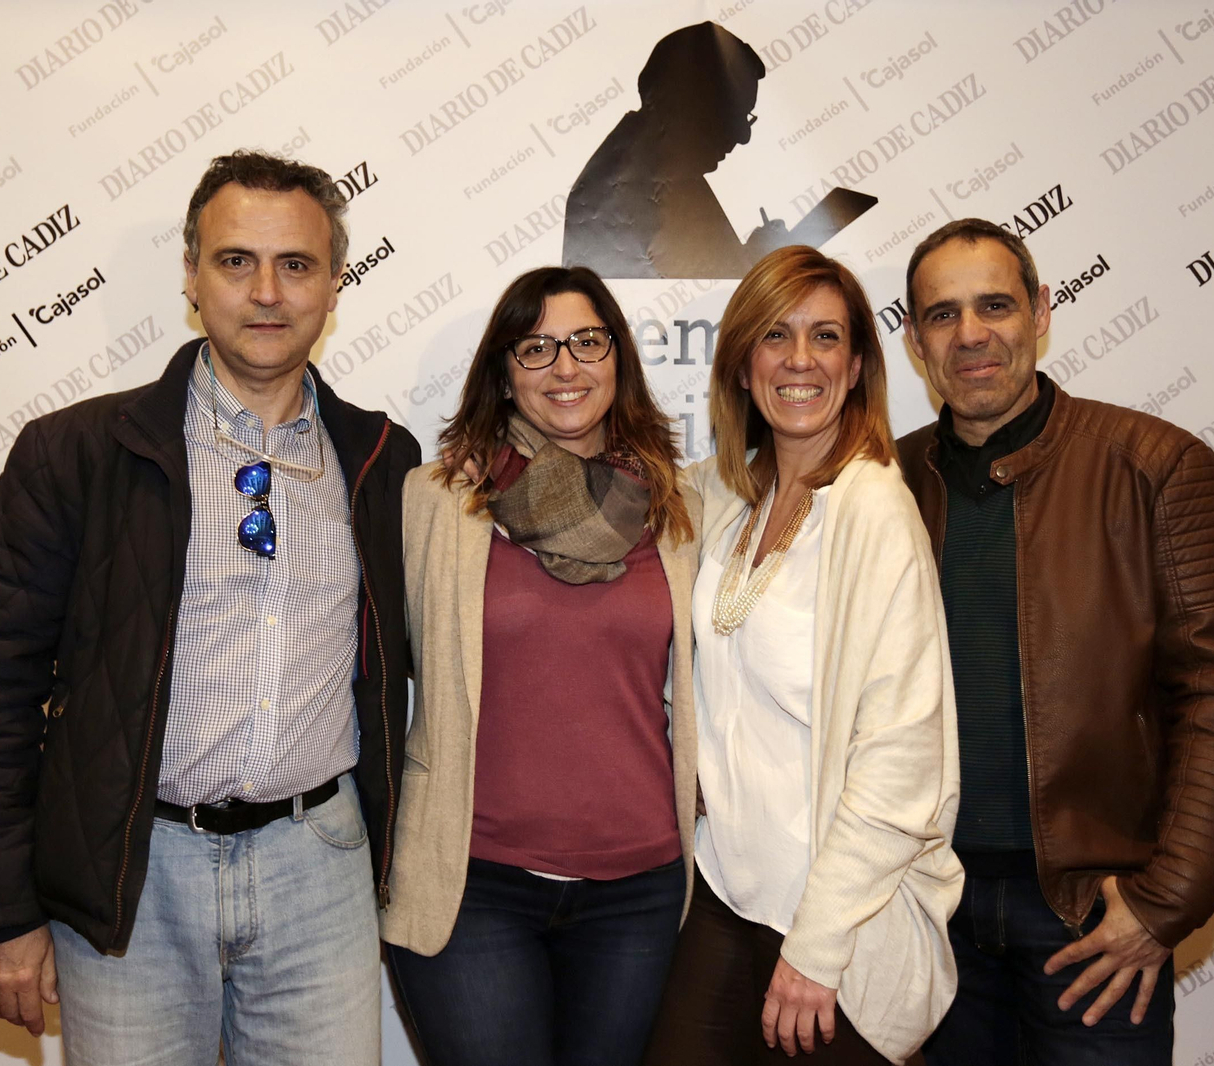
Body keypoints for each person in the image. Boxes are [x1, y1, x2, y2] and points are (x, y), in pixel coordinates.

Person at [0, 150, 419, 1064]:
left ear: (333, 285)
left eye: (297, 264)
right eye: (237, 261)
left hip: (320, 868)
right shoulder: (74, 455)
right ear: (193, 277)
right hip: (135, 873)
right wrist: (0, 912)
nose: (266, 291)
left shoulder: (383, 461)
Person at [897, 218, 1214, 1065]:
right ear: (915, 341)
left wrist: (1165, 901)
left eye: (995, 304)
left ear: (1042, 310)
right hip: (929, 910)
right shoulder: (884, 484)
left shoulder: (1155, 465)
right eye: (943, 315)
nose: (973, 334)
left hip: (1090, 918)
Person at [646, 245, 962, 1065]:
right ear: (743, 365)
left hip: (835, 929)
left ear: (856, 366)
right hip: (721, 894)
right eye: (776, 336)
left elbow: (902, 764)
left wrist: (816, 953)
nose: (799, 360)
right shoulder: (727, 494)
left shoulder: (872, 512)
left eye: (825, 338)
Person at [381, 266, 701, 1066]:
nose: (567, 367)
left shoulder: (682, 508)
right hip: (472, 884)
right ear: (504, 371)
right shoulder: (434, 502)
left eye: (587, 342)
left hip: (637, 892)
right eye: (537, 348)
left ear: (618, 357)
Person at [562, 22, 871, 280]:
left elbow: (698, 278)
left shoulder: (644, 168)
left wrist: (753, 255)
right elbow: (692, 301)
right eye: (735, 115)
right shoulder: (633, 187)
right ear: (690, 104)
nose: (743, 135)